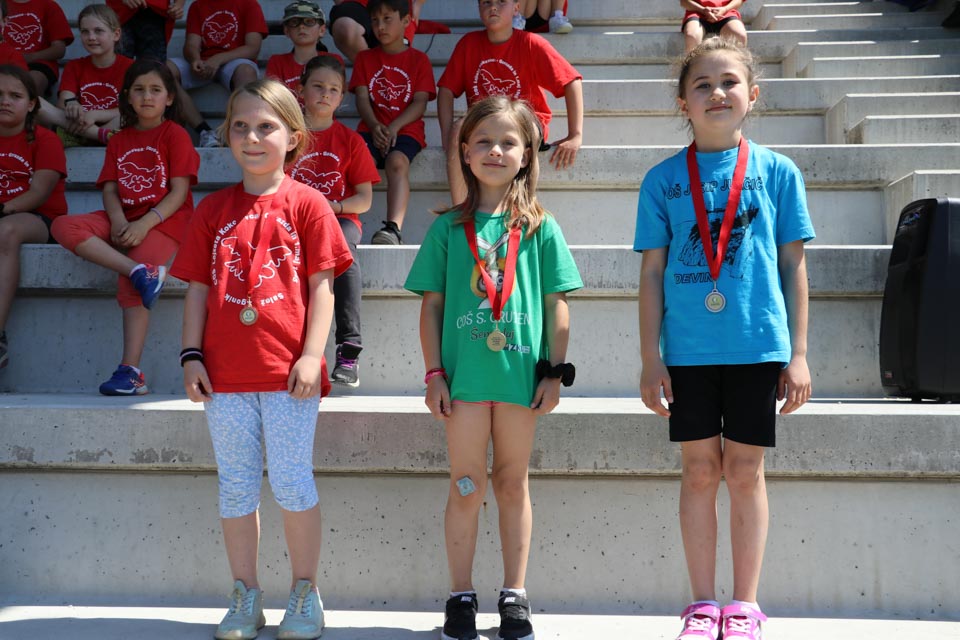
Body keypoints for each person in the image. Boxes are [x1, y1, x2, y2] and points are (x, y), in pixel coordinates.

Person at [634, 38, 814, 640]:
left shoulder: (778, 172)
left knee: (743, 472)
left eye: (730, 82)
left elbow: (793, 265)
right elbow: (652, 273)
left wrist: (799, 353)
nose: (717, 92)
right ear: (682, 103)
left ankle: (744, 605)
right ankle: (702, 605)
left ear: (753, 95)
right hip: (688, 351)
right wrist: (650, 358)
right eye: (702, 84)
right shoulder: (662, 180)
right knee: (698, 473)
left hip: (756, 345)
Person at [170, 78, 352, 640]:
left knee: (293, 484)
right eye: (241, 127)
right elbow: (197, 289)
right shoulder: (212, 209)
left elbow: (323, 288)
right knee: (236, 488)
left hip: (287, 375)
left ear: (293, 136)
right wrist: (191, 356)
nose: (252, 137)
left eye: (266, 127)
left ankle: (305, 591)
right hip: (224, 377)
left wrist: (313, 355)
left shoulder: (309, 204)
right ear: (227, 135)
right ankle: (245, 594)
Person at [405, 96, 582, 640]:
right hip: (463, 383)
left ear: (528, 154)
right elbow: (431, 306)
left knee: (511, 482)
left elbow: (557, 303)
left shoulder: (541, 227)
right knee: (466, 485)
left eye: (508, 142)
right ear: (464, 152)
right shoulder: (447, 229)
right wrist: (434, 374)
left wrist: (554, 371)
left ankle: (514, 594)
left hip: (519, 380)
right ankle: (460, 594)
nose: (495, 151)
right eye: (482, 141)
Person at [51, 59, 199, 395]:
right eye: (139, 90)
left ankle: (130, 372)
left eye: (156, 90)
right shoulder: (119, 140)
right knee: (63, 226)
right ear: (128, 97)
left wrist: (145, 224)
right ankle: (139, 271)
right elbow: (110, 189)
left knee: (128, 282)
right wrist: (119, 220)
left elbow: (179, 192)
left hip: (165, 220)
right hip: (124, 215)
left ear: (169, 98)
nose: (147, 96)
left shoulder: (175, 135)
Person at [289, 56, 379, 388]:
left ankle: (348, 349)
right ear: (301, 90)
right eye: (318, 86)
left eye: (333, 89)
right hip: (292, 219)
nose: (325, 94)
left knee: (342, 253)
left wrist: (333, 206)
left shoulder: (351, 140)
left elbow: (365, 199)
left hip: (340, 219)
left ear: (342, 97)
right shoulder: (287, 138)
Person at [437, 0, 583, 204]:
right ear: (479, 8)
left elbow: (571, 81)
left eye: (501, 1)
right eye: (486, 2)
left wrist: (575, 135)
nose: (493, 7)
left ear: (516, 8)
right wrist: (447, 136)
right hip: (484, 122)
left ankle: (525, 208)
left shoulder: (531, 42)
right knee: (458, 130)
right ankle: (461, 211)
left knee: (527, 135)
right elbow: (445, 90)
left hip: (525, 120)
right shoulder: (468, 44)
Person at [349, 0, 435, 245]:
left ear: (406, 21)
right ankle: (345, 219)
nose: (380, 26)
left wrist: (394, 127)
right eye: (375, 21)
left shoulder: (419, 60)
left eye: (387, 19)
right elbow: (362, 98)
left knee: (397, 161)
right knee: (357, 159)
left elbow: (420, 102)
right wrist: (375, 126)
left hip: (406, 129)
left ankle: (392, 229)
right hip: (371, 128)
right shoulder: (365, 58)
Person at [0, 64, 67, 370]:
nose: (5, 101)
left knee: (5, 231)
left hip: (38, 219)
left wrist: (4, 210)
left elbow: (38, 193)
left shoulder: (45, 139)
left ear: (31, 104)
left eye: (15, 96)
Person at [165, 0, 266, 147]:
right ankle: (204, 131)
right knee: (163, 71)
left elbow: (252, 48)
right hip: (205, 61)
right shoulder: (198, 5)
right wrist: (195, 59)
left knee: (246, 72)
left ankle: (237, 132)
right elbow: (191, 44)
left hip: (234, 61)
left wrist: (218, 59)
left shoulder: (249, 4)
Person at [48, 4, 133, 147]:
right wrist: (72, 104)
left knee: (132, 114)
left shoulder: (131, 67)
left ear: (116, 34)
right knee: (37, 104)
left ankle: (89, 136)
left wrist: (96, 114)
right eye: (85, 32)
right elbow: (64, 101)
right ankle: (98, 136)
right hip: (82, 122)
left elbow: (134, 106)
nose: (91, 37)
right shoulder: (74, 66)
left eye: (98, 31)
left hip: (112, 124)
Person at [265, 1, 337, 107]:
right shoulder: (277, 62)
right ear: (287, 31)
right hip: (287, 117)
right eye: (294, 22)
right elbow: (273, 100)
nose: (301, 26)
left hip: (323, 116)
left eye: (309, 21)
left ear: (322, 30)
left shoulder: (333, 61)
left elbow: (334, 97)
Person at [2, 0, 73, 96]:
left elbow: (59, 49)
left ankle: (30, 103)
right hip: (4, 61)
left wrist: (29, 57)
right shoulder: (2, 4)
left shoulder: (49, 5)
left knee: (30, 83)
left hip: (38, 64)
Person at [329, 0, 421, 62]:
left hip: (395, 4)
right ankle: (372, 73)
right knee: (345, 27)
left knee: (395, 55)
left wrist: (418, 4)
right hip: (356, 3)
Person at [106, 0, 184, 62]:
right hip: (121, 12)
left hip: (155, 13)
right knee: (119, 66)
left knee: (153, 68)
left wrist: (178, 4)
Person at [680, 0, 747, 53]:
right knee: (692, 36)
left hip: (726, 13)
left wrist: (725, 9)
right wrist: (702, 10)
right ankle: (693, 64)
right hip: (696, 12)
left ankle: (736, 65)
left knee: (739, 35)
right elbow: (684, 1)